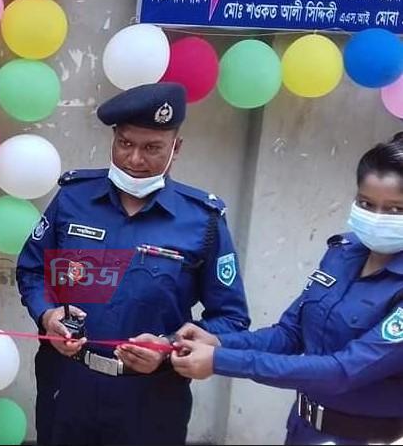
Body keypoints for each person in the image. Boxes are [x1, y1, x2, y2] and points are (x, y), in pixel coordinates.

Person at [16, 82, 251, 445]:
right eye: (125, 143)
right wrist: (48, 315)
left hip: (152, 400)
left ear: (176, 149)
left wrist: (169, 347)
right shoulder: (74, 199)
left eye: (152, 148)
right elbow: (32, 270)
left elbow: (231, 319)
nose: (135, 160)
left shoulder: (201, 221)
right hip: (69, 387)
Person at [172, 135, 403, 445]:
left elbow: (343, 371)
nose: (377, 218)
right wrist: (218, 341)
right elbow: (289, 334)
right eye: (366, 203)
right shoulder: (343, 253)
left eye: (395, 209)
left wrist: (220, 360)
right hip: (302, 430)